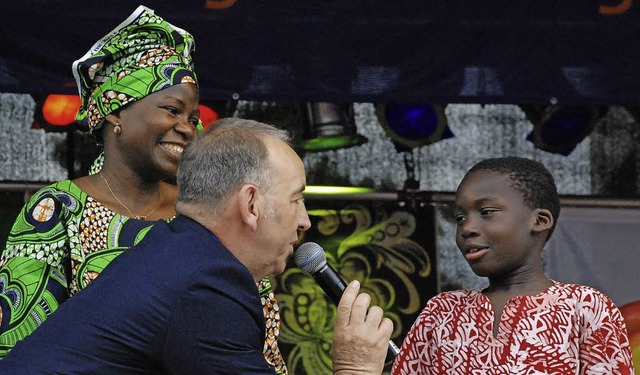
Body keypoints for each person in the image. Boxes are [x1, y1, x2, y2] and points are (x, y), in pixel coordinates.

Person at [0, 6, 289, 373]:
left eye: (193, 118)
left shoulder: (209, 214)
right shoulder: (59, 210)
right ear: (115, 110)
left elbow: (258, 346)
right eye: (172, 109)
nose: (187, 128)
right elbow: (17, 349)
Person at [0, 118, 394, 374]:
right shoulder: (206, 283)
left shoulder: (179, 255)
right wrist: (354, 366)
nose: (305, 220)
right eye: (296, 199)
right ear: (251, 204)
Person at [392, 156, 635, 374]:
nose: (467, 228)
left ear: (539, 220)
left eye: (486, 212)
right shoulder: (441, 312)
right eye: (460, 218)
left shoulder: (584, 307)